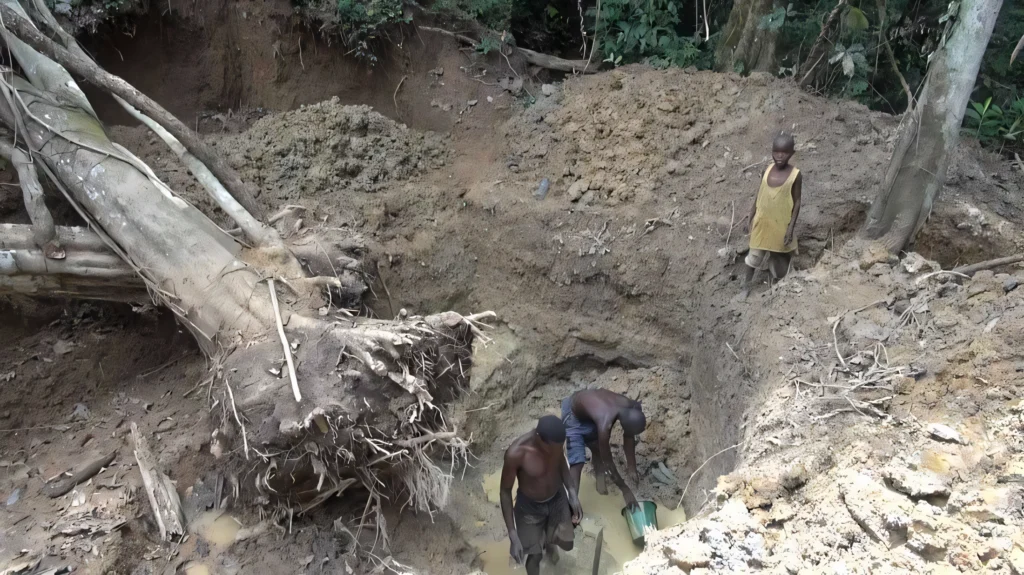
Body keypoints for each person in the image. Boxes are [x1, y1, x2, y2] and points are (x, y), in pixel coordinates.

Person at [500, 415, 583, 575]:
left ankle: (547, 540)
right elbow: (505, 492)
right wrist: (512, 534)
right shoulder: (516, 453)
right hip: (529, 507)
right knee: (534, 556)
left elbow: (562, 465)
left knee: (567, 543)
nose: (556, 452)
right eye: (551, 450)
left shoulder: (555, 443)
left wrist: (572, 493)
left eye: (560, 448)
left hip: (557, 498)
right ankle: (540, 542)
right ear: (539, 439)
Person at [739, 133, 803, 300]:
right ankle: (745, 288)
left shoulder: (795, 175)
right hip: (762, 222)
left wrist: (790, 228)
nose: (779, 156)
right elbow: (758, 197)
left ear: (792, 153)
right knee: (753, 257)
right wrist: (750, 218)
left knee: (779, 259)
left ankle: (777, 289)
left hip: (780, 224)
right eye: (776, 152)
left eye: (784, 152)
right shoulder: (766, 171)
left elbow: (797, 203)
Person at [561, 389, 646, 508]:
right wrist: (625, 490)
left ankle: (600, 481)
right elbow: (608, 463)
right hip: (572, 414)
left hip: (590, 409)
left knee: (597, 448)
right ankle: (570, 507)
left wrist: (632, 467)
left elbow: (629, 436)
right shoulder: (605, 422)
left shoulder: (633, 406)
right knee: (578, 462)